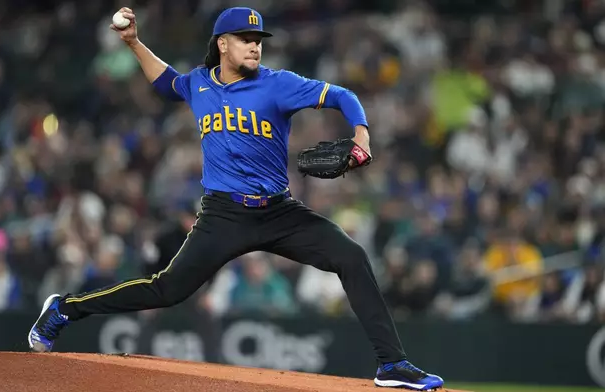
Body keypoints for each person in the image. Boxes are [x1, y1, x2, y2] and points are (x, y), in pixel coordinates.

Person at [27, 6, 444, 390]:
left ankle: (391, 365)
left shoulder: (278, 83)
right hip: (224, 215)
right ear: (222, 44)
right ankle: (65, 308)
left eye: (258, 38)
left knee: (351, 257)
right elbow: (167, 82)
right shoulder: (199, 84)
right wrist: (134, 43)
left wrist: (361, 134)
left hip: (280, 212)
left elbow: (342, 96)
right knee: (167, 290)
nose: (256, 45)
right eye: (246, 37)